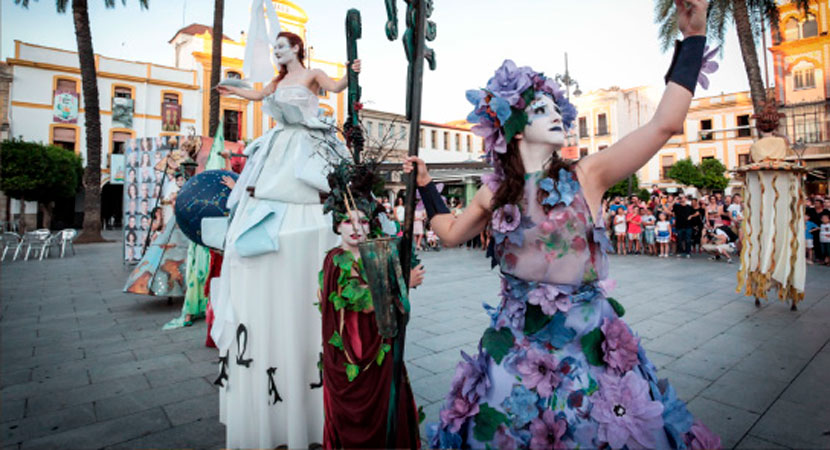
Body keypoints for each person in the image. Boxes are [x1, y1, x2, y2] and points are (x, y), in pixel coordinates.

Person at [405, 3, 719, 445]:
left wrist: (692, 38)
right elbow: (451, 234)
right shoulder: (494, 192)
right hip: (513, 357)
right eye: (540, 109)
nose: (556, 116)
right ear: (514, 128)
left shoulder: (587, 177)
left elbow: (665, 124)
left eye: (557, 108)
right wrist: (425, 186)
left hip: (588, 350)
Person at [214, 30, 360, 449]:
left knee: (317, 204)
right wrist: (237, 89)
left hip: (308, 148)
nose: (277, 52)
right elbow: (257, 98)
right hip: (278, 152)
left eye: (282, 47)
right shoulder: (276, 85)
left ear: (297, 48)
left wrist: (351, 72)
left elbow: (335, 87)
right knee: (262, 203)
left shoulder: (312, 74)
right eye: (275, 48)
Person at [318, 172, 424, 448]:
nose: (356, 227)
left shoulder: (376, 256)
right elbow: (363, 301)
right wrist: (403, 284)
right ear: (337, 226)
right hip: (350, 356)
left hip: (380, 348)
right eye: (347, 221)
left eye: (363, 221)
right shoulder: (335, 260)